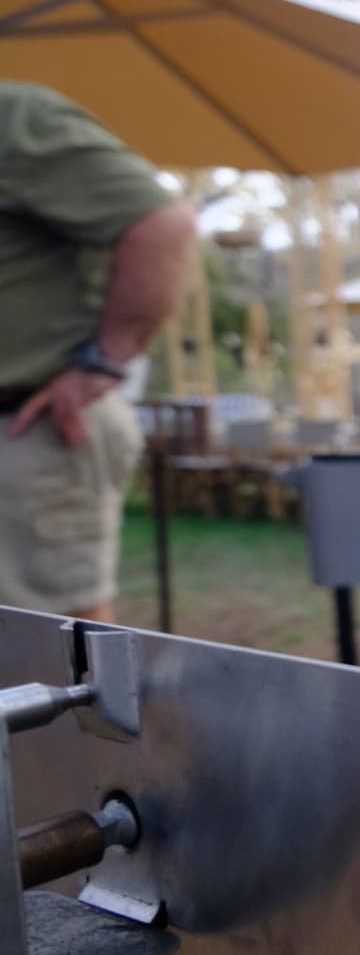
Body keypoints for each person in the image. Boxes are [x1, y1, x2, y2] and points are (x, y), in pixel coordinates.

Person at [0, 82, 197, 623]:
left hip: (30, 431)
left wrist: (105, 360)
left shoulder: (12, 116)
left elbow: (163, 225)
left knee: (44, 673)